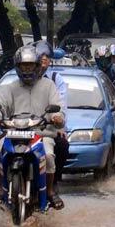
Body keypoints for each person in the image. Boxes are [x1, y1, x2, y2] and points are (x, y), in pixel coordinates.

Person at [0, 45, 65, 210]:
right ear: (18, 67)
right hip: (13, 133)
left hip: (41, 133)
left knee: (49, 156)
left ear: (38, 66)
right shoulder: (9, 87)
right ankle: (1, 191)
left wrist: (57, 118)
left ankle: (50, 191)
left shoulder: (48, 85)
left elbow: (57, 106)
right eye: (24, 65)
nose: (27, 69)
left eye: (30, 65)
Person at [32, 41, 70, 183]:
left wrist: (60, 123)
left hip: (47, 126)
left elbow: (61, 103)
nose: (44, 59)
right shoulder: (19, 79)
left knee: (62, 146)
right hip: (23, 127)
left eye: (47, 56)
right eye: (40, 55)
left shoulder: (54, 80)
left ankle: (52, 184)